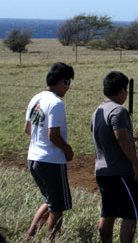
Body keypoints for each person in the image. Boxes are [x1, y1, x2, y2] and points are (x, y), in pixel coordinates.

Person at [24, 62, 74, 241]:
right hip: (51, 161)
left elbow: (27, 128)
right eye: (68, 83)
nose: (68, 89)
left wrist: (39, 142)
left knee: (50, 201)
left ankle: (29, 237)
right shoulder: (56, 103)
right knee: (57, 208)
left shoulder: (36, 98)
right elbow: (53, 135)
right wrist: (67, 150)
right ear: (64, 82)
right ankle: (51, 240)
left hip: (33, 159)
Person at [91, 71, 138, 243]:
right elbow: (120, 136)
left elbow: (108, 137)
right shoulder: (118, 110)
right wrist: (135, 163)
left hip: (101, 171)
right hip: (120, 172)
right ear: (121, 91)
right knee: (130, 213)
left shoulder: (98, 111)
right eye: (126, 90)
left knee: (108, 211)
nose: (127, 94)